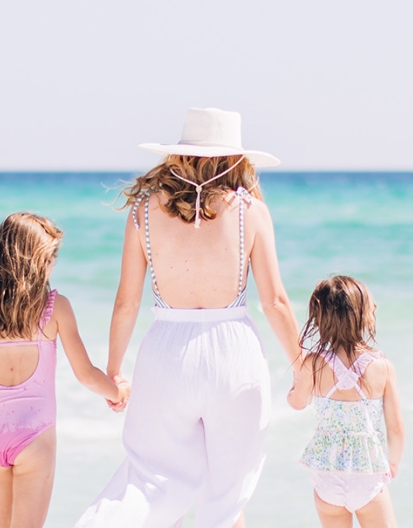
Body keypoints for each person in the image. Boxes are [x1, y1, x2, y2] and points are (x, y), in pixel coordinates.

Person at [76, 108, 304, 528]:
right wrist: (301, 367)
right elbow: (275, 302)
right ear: (235, 159)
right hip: (234, 355)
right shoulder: (250, 211)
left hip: (167, 353)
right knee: (227, 497)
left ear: (178, 156)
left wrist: (113, 371)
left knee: (157, 485)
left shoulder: (144, 212)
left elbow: (126, 302)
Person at [0, 213, 131, 528]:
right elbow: (85, 374)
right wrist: (118, 392)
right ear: (37, 262)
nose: (54, 266)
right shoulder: (54, 308)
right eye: (52, 258)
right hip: (35, 437)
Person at [286, 275, 406, 528]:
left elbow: (297, 402)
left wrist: (294, 388)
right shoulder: (381, 366)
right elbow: (396, 427)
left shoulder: (314, 363)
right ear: (364, 316)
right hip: (367, 473)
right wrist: (392, 462)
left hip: (327, 473)